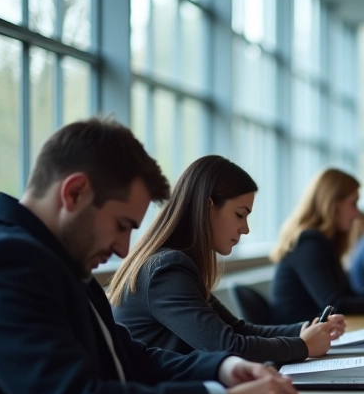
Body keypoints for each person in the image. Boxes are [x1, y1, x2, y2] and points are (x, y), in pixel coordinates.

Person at [0, 119, 300, 394]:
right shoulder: (2, 263)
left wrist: (223, 367)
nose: (123, 248)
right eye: (121, 224)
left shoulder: (52, 258)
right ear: (75, 192)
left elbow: (128, 356)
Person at [111, 155, 345, 363]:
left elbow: (236, 329)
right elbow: (225, 346)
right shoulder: (167, 270)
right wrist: (303, 346)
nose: (245, 229)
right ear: (208, 206)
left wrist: (305, 330)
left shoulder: (173, 264)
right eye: (240, 214)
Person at [269, 169, 364, 324]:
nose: (358, 215)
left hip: (315, 334)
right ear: (333, 205)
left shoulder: (324, 243)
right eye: (353, 204)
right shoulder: (307, 245)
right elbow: (334, 305)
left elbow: (346, 295)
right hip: (299, 340)